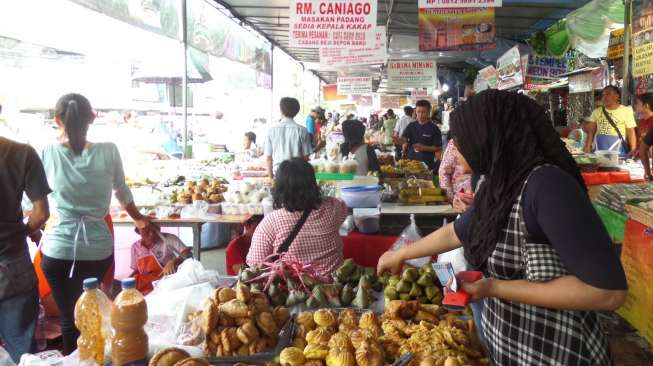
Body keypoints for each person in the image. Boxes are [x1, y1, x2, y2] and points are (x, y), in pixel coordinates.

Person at [378, 90, 627, 365]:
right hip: (510, 350)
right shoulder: (498, 183)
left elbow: (607, 293)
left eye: (461, 140)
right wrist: (400, 255)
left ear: (489, 136)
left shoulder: (548, 188)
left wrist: (493, 288)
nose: (454, 148)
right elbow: (457, 231)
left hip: (560, 353)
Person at [39, 93, 150, 355]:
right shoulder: (109, 150)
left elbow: (37, 205)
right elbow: (123, 195)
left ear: (57, 120)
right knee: (93, 314)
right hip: (97, 251)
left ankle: (76, 360)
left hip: (57, 250)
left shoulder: (48, 151)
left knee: (69, 319)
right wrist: (140, 220)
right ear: (92, 117)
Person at [247, 158, 346, 281]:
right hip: (337, 289)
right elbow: (343, 210)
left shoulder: (271, 222)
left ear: (279, 189)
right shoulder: (334, 207)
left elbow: (255, 265)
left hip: (296, 293)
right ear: (313, 184)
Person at [0, 137, 51, 363]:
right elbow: (41, 213)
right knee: (23, 354)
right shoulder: (22, 153)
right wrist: (24, 231)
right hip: (13, 264)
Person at [130, 224, 191, 294]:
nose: (152, 234)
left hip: (167, 282)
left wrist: (174, 261)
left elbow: (187, 253)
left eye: (155, 229)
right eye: (147, 231)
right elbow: (136, 270)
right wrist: (127, 281)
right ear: (137, 231)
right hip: (148, 284)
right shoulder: (135, 247)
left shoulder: (169, 239)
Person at [264, 97, 314, 177]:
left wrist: (270, 178)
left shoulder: (271, 130)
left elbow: (268, 158)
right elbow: (306, 158)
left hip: (279, 173)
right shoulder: (302, 130)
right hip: (297, 173)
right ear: (296, 111)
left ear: (281, 110)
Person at [585, 86, 637, 155]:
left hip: (618, 148)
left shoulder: (626, 111)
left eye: (608, 94)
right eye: (603, 95)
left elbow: (630, 131)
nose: (604, 97)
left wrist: (633, 148)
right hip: (599, 147)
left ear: (617, 96)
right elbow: (591, 131)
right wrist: (588, 146)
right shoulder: (596, 112)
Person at [401, 99, 442, 170]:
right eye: (418, 111)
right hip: (411, 162)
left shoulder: (434, 128)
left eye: (423, 112)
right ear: (415, 111)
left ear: (429, 112)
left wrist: (424, 148)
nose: (420, 114)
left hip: (426, 164)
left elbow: (438, 148)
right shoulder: (411, 125)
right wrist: (403, 143)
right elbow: (405, 138)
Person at [637, 93, 653, 180]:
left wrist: (647, 173)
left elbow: (643, 148)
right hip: (643, 161)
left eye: (637, 103)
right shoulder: (641, 121)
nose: (635, 105)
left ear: (646, 105)